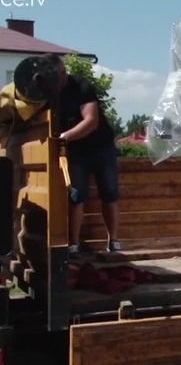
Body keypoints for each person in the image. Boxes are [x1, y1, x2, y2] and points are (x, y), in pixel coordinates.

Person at [43, 53, 121, 253]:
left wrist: (62, 137)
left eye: (59, 76)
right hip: (76, 151)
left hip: (101, 148)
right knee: (77, 196)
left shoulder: (81, 86)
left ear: (63, 73)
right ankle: (74, 244)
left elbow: (91, 122)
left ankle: (114, 241)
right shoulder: (46, 92)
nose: (57, 81)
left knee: (110, 193)